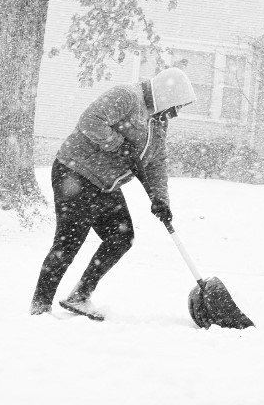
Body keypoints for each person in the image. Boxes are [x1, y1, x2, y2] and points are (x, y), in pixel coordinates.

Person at [29, 67, 197, 320]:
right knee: (69, 241)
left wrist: (160, 199)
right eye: (176, 105)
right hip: (75, 173)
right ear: (165, 95)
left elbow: (156, 162)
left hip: (104, 185)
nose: (176, 113)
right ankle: (40, 306)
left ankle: (80, 295)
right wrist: (119, 146)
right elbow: (90, 120)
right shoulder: (127, 96)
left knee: (121, 237)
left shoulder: (158, 122)